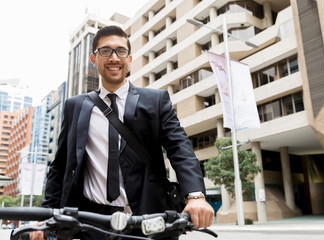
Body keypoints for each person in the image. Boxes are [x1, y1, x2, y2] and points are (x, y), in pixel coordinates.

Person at [30, 25, 214, 239]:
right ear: (93, 58)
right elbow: (60, 166)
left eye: (121, 51)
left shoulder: (156, 101)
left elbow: (179, 148)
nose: (114, 58)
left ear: (130, 57)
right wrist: (45, 215)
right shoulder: (75, 106)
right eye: (105, 51)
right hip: (91, 223)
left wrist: (195, 196)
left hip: (148, 220)